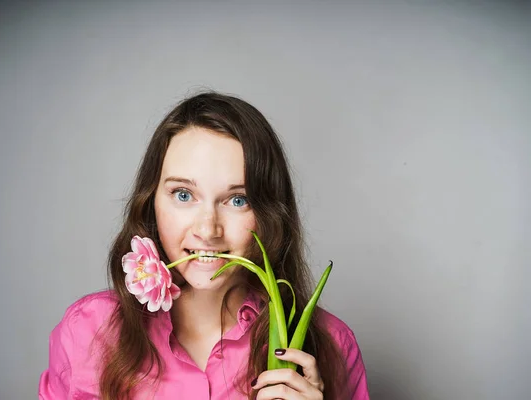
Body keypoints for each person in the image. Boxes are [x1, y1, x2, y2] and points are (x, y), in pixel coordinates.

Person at [38, 92, 370, 399]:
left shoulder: (332, 346)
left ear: (270, 212)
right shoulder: (87, 332)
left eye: (237, 199)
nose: (207, 229)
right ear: (150, 201)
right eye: (183, 195)